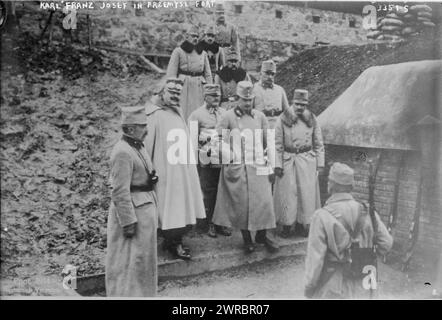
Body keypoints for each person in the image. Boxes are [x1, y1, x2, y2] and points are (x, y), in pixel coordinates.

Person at [304, 162, 393, 299]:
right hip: (365, 284)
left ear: (331, 185)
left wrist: (309, 287)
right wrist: (366, 255)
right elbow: (386, 243)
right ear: (351, 187)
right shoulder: (368, 211)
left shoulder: (321, 216)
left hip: (334, 285)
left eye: (329, 181)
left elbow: (315, 261)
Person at [212, 81, 279, 254]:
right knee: (243, 205)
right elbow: (216, 140)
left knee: (264, 202)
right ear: (237, 99)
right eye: (244, 100)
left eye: (250, 100)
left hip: (258, 165)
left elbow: (268, 141)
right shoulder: (228, 117)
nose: (248, 104)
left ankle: (262, 236)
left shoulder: (260, 116)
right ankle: (247, 239)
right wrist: (230, 155)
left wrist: (272, 164)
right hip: (239, 167)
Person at [145, 78, 206, 260]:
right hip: (165, 171)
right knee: (169, 208)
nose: (175, 95)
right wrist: (149, 170)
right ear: (162, 92)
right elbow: (148, 147)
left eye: (178, 93)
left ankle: (175, 240)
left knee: (183, 207)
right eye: (171, 91)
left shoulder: (177, 112)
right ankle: (173, 243)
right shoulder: (154, 115)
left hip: (182, 170)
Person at [105, 106, 158, 297]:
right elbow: (119, 191)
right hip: (133, 215)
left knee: (142, 263)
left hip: (144, 209)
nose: (147, 130)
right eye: (142, 126)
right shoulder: (122, 152)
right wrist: (128, 222)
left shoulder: (138, 146)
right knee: (128, 263)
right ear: (130, 129)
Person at [273, 89, 324, 238]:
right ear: (292, 102)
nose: (300, 107)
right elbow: (277, 144)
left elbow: (319, 143)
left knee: (305, 194)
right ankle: (287, 225)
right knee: (288, 194)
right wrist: (278, 164)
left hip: (306, 159)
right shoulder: (283, 119)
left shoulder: (312, 119)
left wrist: (320, 164)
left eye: (303, 104)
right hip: (288, 159)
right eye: (297, 104)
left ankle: (303, 224)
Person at [188, 84, 231, 238]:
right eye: (213, 95)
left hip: (222, 157)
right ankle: (207, 224)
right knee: (208, 191)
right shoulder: (196, 115)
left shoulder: (225, 113)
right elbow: (192, 140)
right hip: (205, 158)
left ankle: (220, 222)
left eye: (218, 96)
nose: (216, 98)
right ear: (205, 97)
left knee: (222, 190)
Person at [166, 26, 212, 120]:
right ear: (187, 37)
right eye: (193, 36)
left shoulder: (203, 53)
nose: (195, 38)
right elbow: (171, 73)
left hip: (199, 86)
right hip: (183, 86)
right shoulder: (178, 51)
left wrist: (209, 89)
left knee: (199, 112)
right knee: (183, 112)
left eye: (197, 36)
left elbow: (207, 74)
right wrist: (172, 89)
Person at [252, 60, 289, 129]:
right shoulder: (254, 89)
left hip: (277, 127)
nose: (270, 76)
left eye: (272, 74)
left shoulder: (280, 90)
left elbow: (287, 112)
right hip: (259, 126)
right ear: (261, 73)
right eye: (267, 73)